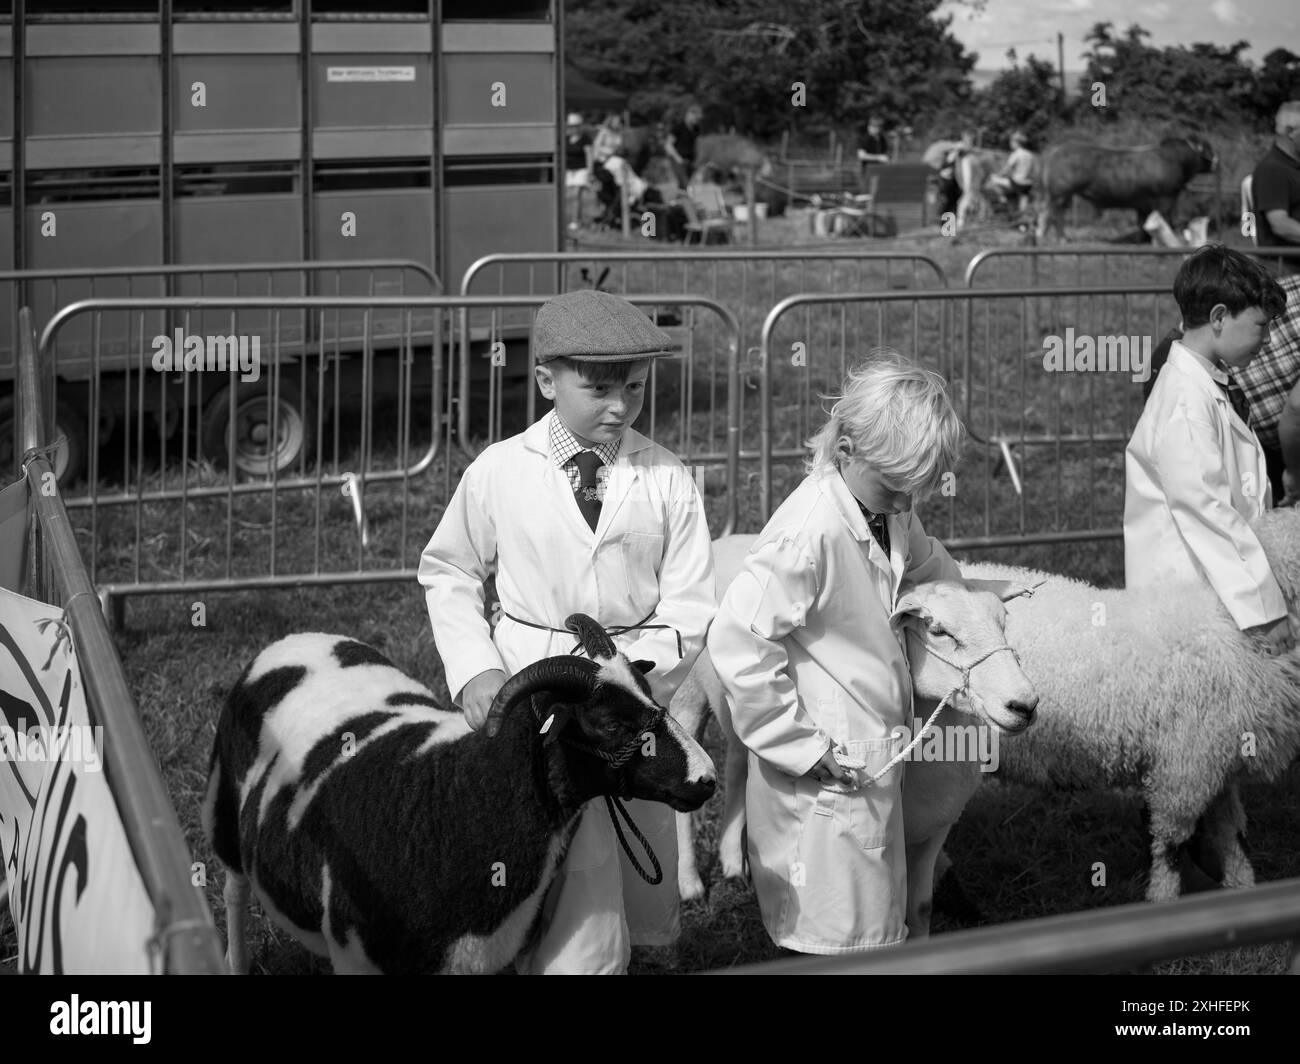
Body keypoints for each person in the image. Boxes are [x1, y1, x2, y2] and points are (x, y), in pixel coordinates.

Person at [418, 290, 716, 974]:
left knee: (638, 842)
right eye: (601, 388)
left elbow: (692, 602)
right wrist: (475, 670)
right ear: (548, 380)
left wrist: (631, 674)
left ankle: (644, 948)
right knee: (541, 846)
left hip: (633, 698)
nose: (620, 406)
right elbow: (450, 570)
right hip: (532, 693)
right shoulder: (499, 470)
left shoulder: (667, 476)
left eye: (635, 388)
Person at [706, 352, 965, 954]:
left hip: (868, 750)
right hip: (824, 762)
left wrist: (969, 611)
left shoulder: (884, 510)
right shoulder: (809, 532)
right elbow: (739, 639)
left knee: (870, 921)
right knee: (827, 933)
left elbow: (928, 563)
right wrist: (800, 745)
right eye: (897, 487)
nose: (907, 504)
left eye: (918, 490)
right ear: (846, 450)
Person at [1125, 245, 1294, 658]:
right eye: (1260, 326)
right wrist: (1263, 609)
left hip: (1214, 598)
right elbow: (1207, 509)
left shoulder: (1208, 386)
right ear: (1218, 317)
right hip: (1186, 610)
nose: (1268, 339)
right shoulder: (1184, 401)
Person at [1250, 100, 1300, 251]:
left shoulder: (1293, 167)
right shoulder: (1272, 169)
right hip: (1284, 269)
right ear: (1291, 131)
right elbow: (1280, 224)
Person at [988, 131, 1038, 216]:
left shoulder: (1016, 154)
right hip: (1028, 183)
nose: (1010, 144)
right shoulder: (1030, 155)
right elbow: (1034, 170)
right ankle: (1022, 220)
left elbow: (1006, 169)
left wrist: (997, 175)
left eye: (1011, 142)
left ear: (1016, 143)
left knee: (993, 181)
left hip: (1017, 183)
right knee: (1023, 198)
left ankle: (1003, 199)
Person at [665, 104, 703, 187]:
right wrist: (678, 158)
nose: (697, 120)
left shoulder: (696, 128)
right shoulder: (678, 127)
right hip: (678, 161)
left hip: (690, 162)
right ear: (689, 114)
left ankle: (681, 198)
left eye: (698, 119)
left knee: (685, 186)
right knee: (685, 184)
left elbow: (698, 145)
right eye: (695, 118)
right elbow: (668, 145)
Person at [564, 112, 592, 186]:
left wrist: (590, 171)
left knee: (577, 192)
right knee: (568, 193)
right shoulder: (566, 139)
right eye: (571, 126)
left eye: (576, 126)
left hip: (582, 170)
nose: (573, 128)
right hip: (568, 171)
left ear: (580, 126)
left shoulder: (585, 138)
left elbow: (589, 155)